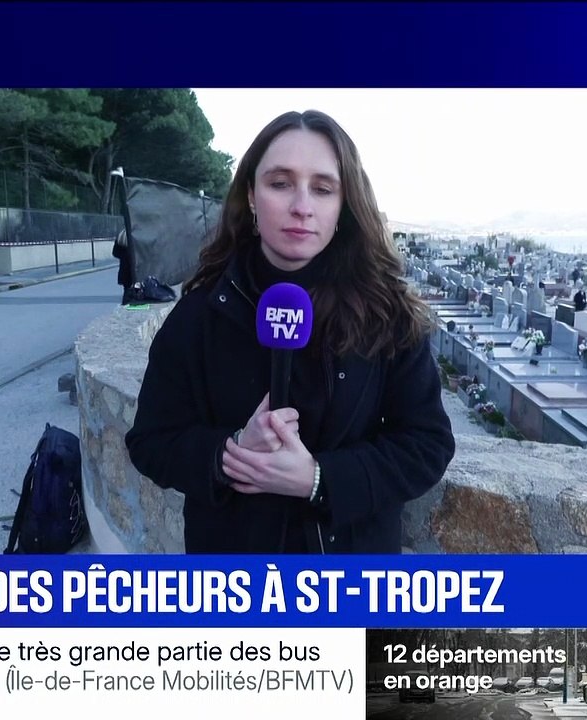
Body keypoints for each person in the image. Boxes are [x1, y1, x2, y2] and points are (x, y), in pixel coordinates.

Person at [125, 110, 454, 554]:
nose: (302, 206)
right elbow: (150, 442)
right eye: (280, 183)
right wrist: (231, 452)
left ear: (344, 204)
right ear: (251, 195)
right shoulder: (201, 313)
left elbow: (427, 445)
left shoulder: (386, 314)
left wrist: (319, 479)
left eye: (323, 188)